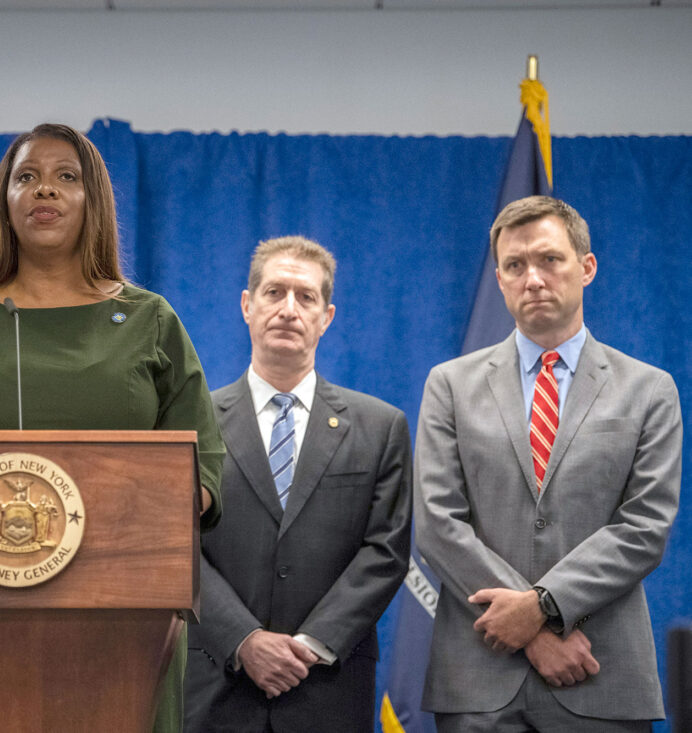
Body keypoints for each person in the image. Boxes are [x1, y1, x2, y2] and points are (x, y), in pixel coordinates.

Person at [0, 122, 223, 732]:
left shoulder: (148, 319)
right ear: (5, 201)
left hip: (124, 620)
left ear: (94, 200)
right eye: (27, 177)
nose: (45, 190)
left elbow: (200, 472)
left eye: (66, 177)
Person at [414, 196, 682, 731]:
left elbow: (645, 527)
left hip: (600, 674)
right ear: (499, 279)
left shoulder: (649, 390)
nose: (532, 278)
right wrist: (534, 629)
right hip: (479, 678)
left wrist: (541, 607)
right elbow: (438, 525)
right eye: (515, 265)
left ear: (587, 267)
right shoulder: (450, 385)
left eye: (550, 259)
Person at [183, 235, 412, 732]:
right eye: (274, 292)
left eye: (305, 297)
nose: (289, 309)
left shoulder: (380, 427)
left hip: (328, 687)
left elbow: (386, 553)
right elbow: (176, 547)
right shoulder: (192, 426)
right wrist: (244, 639)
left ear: (326, 317)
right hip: (216, 685)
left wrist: (308, 647)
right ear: (247, 305)